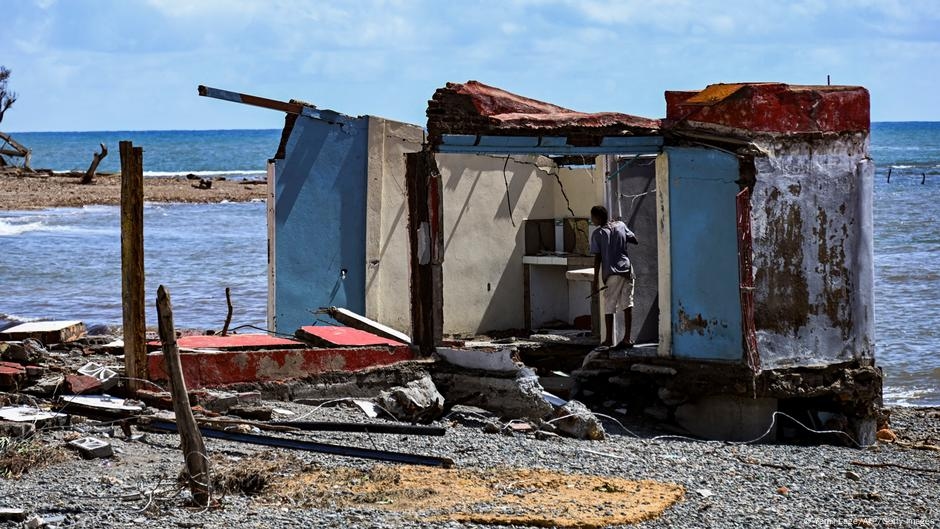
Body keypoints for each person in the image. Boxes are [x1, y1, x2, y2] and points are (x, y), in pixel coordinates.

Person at [589, 205, 638, 349]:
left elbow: (598, 258)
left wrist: (594, 280)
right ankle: (627, 339)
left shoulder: (597, 234)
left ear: (597, 218)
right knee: (627, 303)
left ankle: (609, 339)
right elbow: (635, 240)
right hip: (627, 269)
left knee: (609, 305)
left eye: (592, 217)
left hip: (612, 273)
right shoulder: (621, 225)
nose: (592, 220)